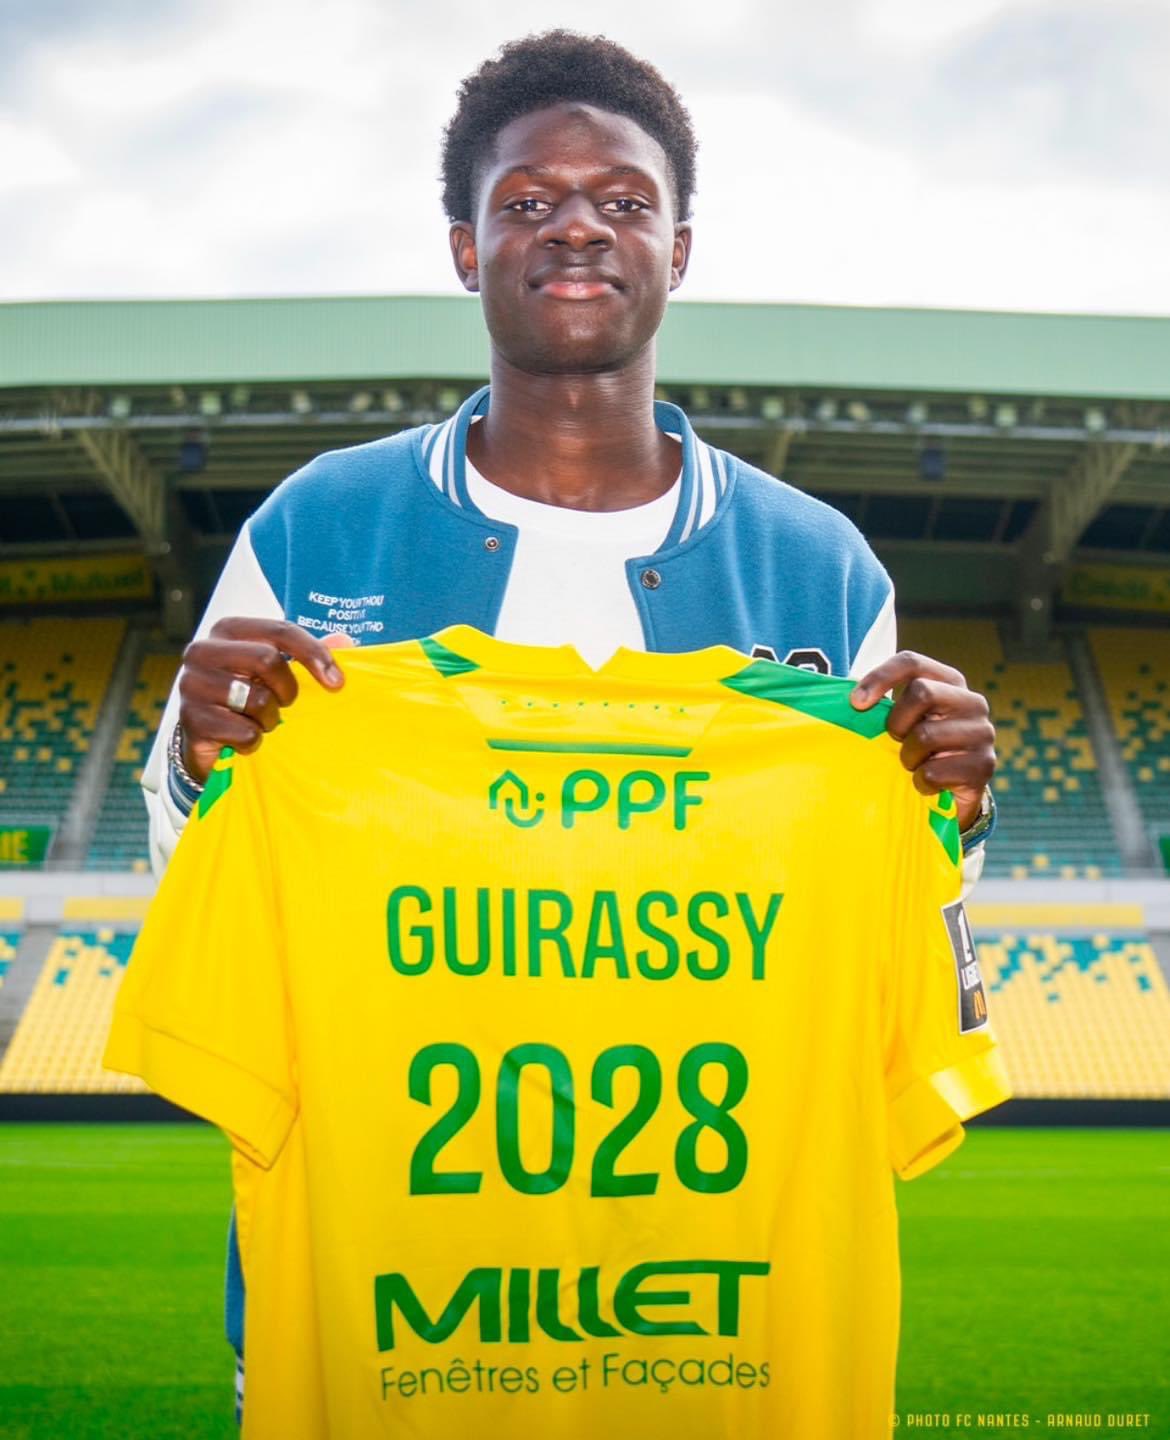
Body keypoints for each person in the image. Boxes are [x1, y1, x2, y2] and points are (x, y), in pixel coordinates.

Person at [140, 27, 996, 1408]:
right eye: (528, 200)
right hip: (389, 1319)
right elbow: (211, 875)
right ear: (467, 249)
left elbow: (889, 911)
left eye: (624, 200)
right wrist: (198, 763)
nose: (578, 227)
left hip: (712, 1322)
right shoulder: (319, 528)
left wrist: (954, 807)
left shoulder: (817, 564)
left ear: (680, 247)